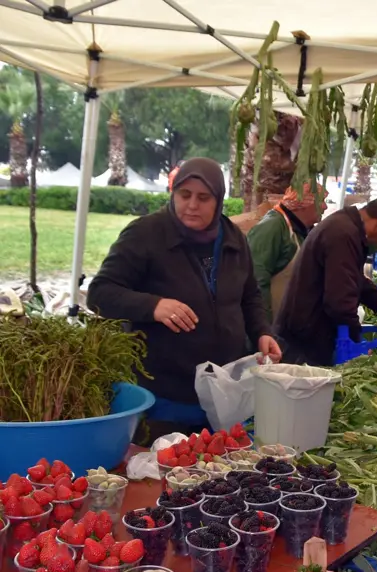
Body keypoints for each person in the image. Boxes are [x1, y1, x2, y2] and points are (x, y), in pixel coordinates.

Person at [87, 158, 281, 440]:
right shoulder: (145, 234)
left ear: (218, 200)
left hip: (222, 392)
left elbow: (249, 294)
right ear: (173, 194)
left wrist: (262, 331)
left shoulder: (233, 239)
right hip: (164, 395)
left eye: (203, 198)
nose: (192, 205)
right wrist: (153, 306)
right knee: (162, 472)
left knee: (216, 476)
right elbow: (100, 293)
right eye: (184, 195)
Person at [274, 195, 377, 366]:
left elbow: (352, 277)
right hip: (303, 343)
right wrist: (357, 343)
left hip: (307, 335)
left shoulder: (346, 227)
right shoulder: (343, 234)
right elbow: (340, 301)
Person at [247, 183, 326, 322]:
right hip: (271, 331)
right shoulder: (272, 227)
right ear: (304, 203)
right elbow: (256, 279)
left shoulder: (302, 231)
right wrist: (263, 327)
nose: (325, 207)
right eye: (322, 202)